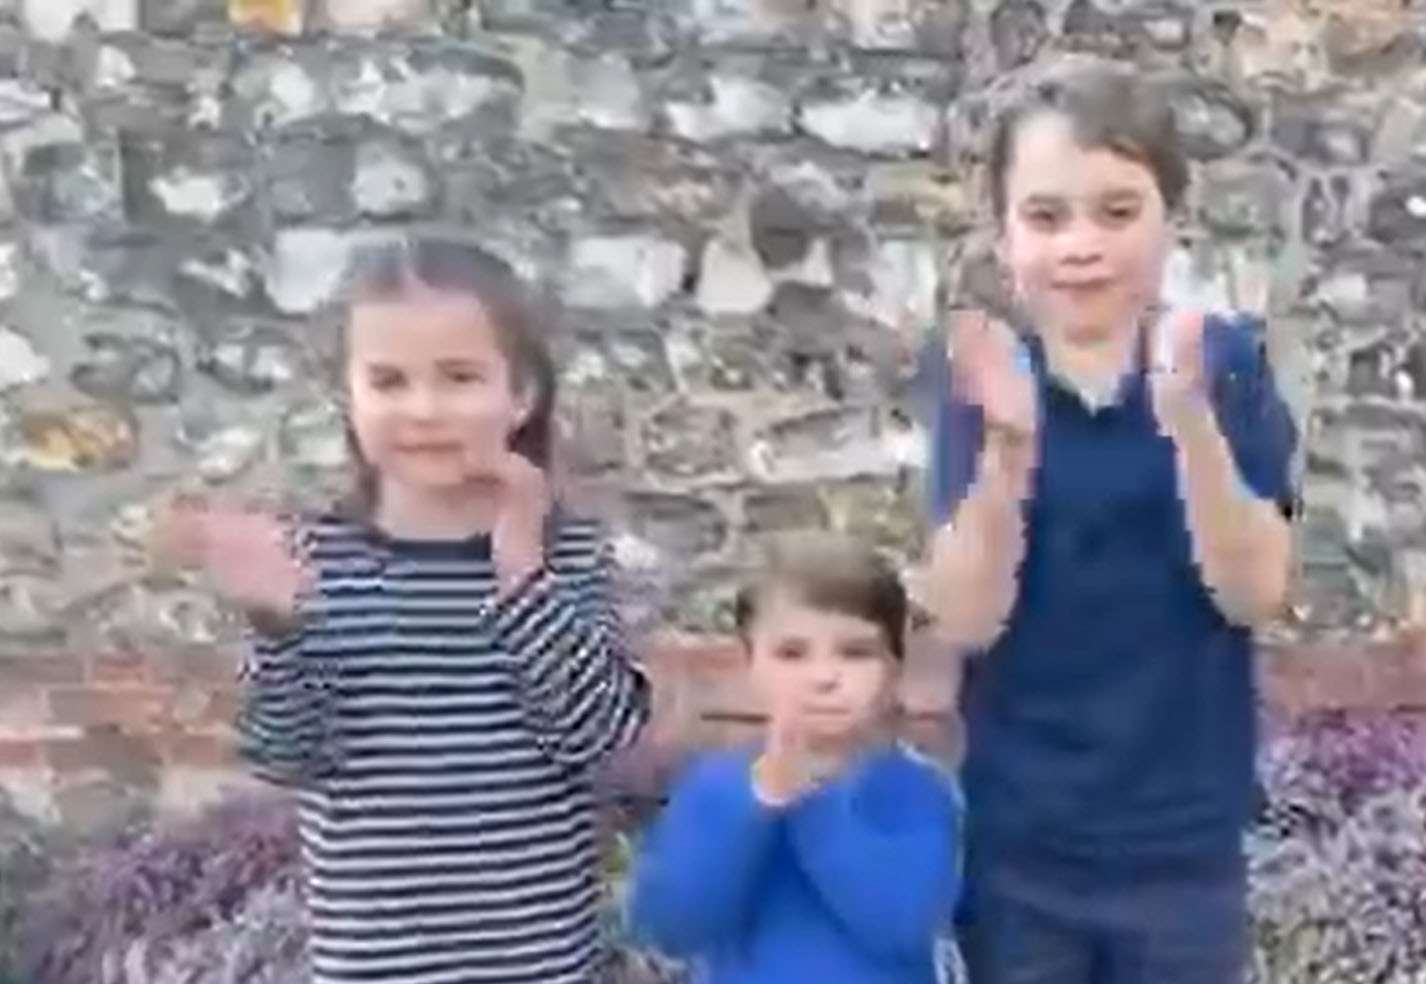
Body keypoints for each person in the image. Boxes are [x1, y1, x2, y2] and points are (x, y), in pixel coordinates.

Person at [155, 236, 651, 984]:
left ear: (521, 396)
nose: (423, 409)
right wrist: (280, 627)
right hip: (376, 969)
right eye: (388, 381)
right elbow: (290, 756)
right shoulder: (312, 561)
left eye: (458, 378)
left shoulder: (567, 554)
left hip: (540, 965)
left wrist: (520, 570)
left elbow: (596, 738)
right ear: (349, 401)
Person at [923, 57, 1297, 984]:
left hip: (1184, 854)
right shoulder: (981, 376)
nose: (1080, 244)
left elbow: (1255, 592)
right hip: (1021, 854)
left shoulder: (1229, 363)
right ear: (1004, 235)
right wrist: (1009, 447)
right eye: (1046, 217)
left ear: (1170, 217)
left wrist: (1189, 421)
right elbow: (965, 618)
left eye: (1117, 211)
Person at [629, 532, 962, 984]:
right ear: (751, 664)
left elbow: (902, 925)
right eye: (791, 654)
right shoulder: (714, 786)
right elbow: (672, 926)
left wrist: (811, 800)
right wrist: (759, 802)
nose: (824, 677)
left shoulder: (914, 788)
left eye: (855, 653)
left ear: (893, 669)